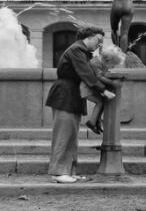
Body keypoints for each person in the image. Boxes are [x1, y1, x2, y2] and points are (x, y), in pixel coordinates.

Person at [45, 26, 116, 183]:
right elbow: (85, 73)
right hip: (64, 95)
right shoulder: (76, 50)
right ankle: (58, 173)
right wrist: (103, 90)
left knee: (71, 136)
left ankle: (69, 172)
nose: (99, 44)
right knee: (63, 135)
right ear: (88, 37)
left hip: (70, 96)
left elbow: (88, 73)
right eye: (98, 40)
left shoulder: (81, 51)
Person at [80, 44, 126, 135]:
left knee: (101, 102)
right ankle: (92, 122)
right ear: (107, 60)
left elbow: (104, 72)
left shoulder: (101, 62)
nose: (111, 67)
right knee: (100, 102)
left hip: (90, 88)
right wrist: (113, 83)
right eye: (112, 65)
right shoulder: (95, 63)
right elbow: (100, 76)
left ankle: (97, 122)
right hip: (86, 89)